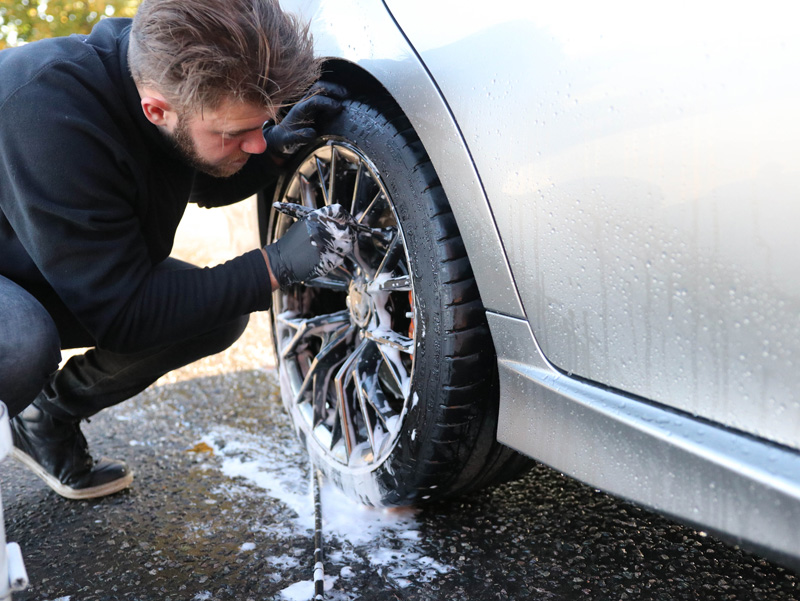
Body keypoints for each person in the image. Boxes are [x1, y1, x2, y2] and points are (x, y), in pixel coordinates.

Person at [0, 0, 354, 500]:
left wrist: (269, 150)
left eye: (261, 124)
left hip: (40, 255)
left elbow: (190, 174)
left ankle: (46, 417)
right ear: (156, 109)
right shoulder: (47, 116)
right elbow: (125, 315)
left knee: (210, 310)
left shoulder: (152, 70)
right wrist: (273, 268)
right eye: (236, 134)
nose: (253, 142)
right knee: (18, 346)